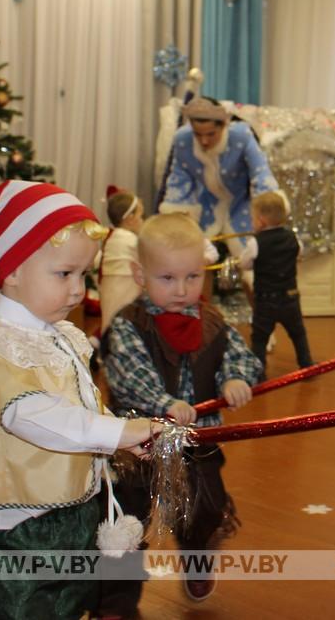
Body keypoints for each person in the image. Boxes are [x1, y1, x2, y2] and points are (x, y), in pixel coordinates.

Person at [0, 180, 158, 620]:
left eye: (84, 274)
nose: (78, 290)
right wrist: (114, 432)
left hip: (72, 511)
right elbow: (34, 415)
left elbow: (79, 409)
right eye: (64, 274)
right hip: (17, 527)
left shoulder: (59, 337)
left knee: (65, 604)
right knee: (18, 608)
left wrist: (115, 431)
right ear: (13, 269)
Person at [102, 212, 263, 610]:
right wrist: (165, 404)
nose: (181, 290)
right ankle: (117, 600)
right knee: (126, 520)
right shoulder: (128, 325)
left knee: (206, 507)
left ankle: (197, 558)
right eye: (167, 278)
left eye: (193, 277)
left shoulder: (211, 320)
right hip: (140, 444)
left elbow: (241, 357)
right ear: (141, 276)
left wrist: (235, 379)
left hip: (199, 440)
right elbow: (129, 374)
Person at [159, 96, 278, 254]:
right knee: (196, 254)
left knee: (251, 257)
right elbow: (179, 182)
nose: (204, 141)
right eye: (198, 134)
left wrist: (267, 211)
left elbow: (261, 173)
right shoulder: (183, 141)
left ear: (224, 126)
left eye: (210, 134)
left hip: (242, 204)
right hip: (206, 204)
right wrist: (178, 217)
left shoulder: (241, 137)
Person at [239, 190, 314, 373]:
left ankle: (258, 372)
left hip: (266, 300)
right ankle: (306, 364)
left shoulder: (255, 243)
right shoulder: (293, 238)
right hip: (290, 297)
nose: (252, 222)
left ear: (261, 221)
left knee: (259, 337)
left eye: (253, 218)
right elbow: (298, 254)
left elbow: (244, 264)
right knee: (298, 333)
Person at [96, 185, 144, 333]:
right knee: (126, 323)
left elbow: (98, 260)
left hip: (110, 289)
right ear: (130, 219)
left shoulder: (111, 237)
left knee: (110, 321)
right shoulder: (129, 239)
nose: (142, 220)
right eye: (141, 216)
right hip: (126, 289)